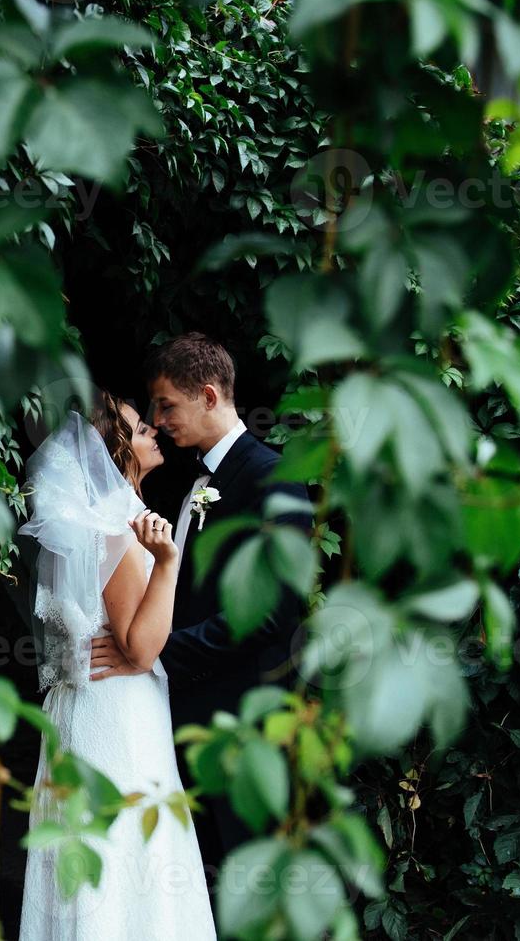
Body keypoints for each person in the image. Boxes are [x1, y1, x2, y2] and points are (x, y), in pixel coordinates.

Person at [89, 332, 312, 874]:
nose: (158, 419)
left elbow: (273, 610)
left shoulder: (272, 480)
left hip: (242, 721)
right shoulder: (192, 481)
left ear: (209, 396)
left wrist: (158, 655)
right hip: (181, 721)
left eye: (167, 405)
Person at [18, 392, 216, 941]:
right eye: (139, 428)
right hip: (118, 719)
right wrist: (168, 561)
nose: (154, 430)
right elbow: (143, 646)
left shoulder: (90, 528)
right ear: (114, 450)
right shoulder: (113, 530)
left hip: (78, 709)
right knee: (128, 858)